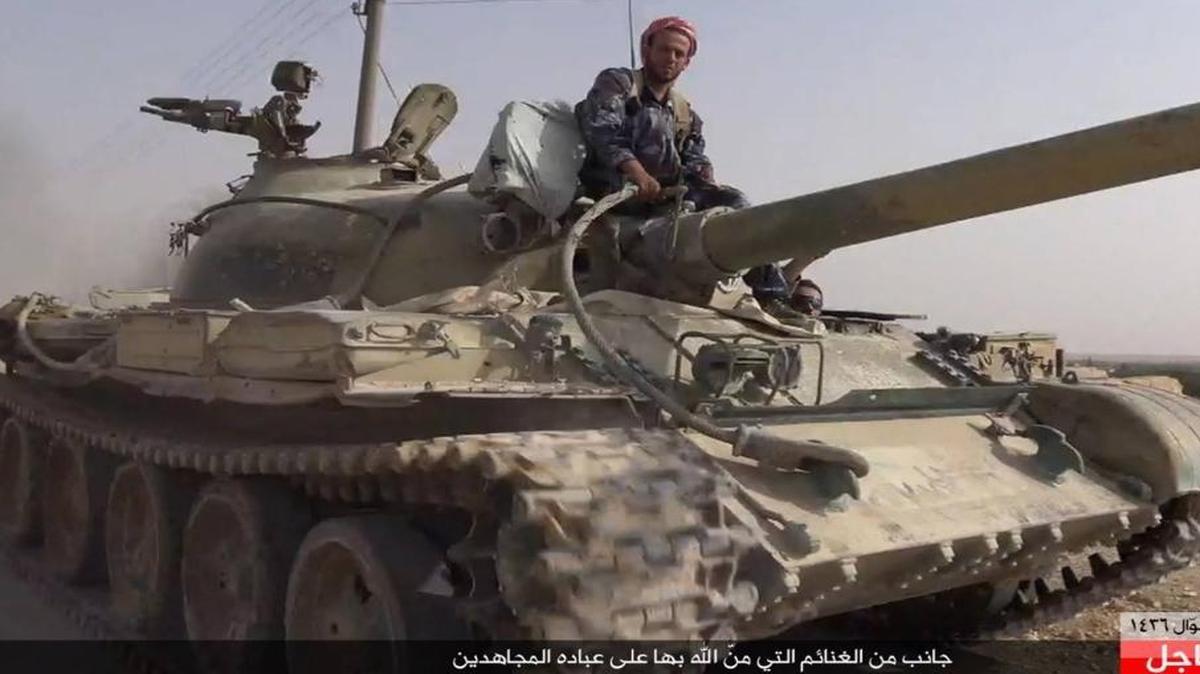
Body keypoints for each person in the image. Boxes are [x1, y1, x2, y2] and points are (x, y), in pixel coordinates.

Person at [575, 16, 792, 310]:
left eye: (679, 54)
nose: (670, 58)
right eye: (664, 49)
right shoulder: (620, 84)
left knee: (735, 203)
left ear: (687, 62)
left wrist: (706, 182)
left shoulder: (683, 113)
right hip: (614, 191)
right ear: (646, 50)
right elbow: (601, 131)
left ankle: (773, 295)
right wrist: (636, 173)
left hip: (665, 198)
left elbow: (694, 160)